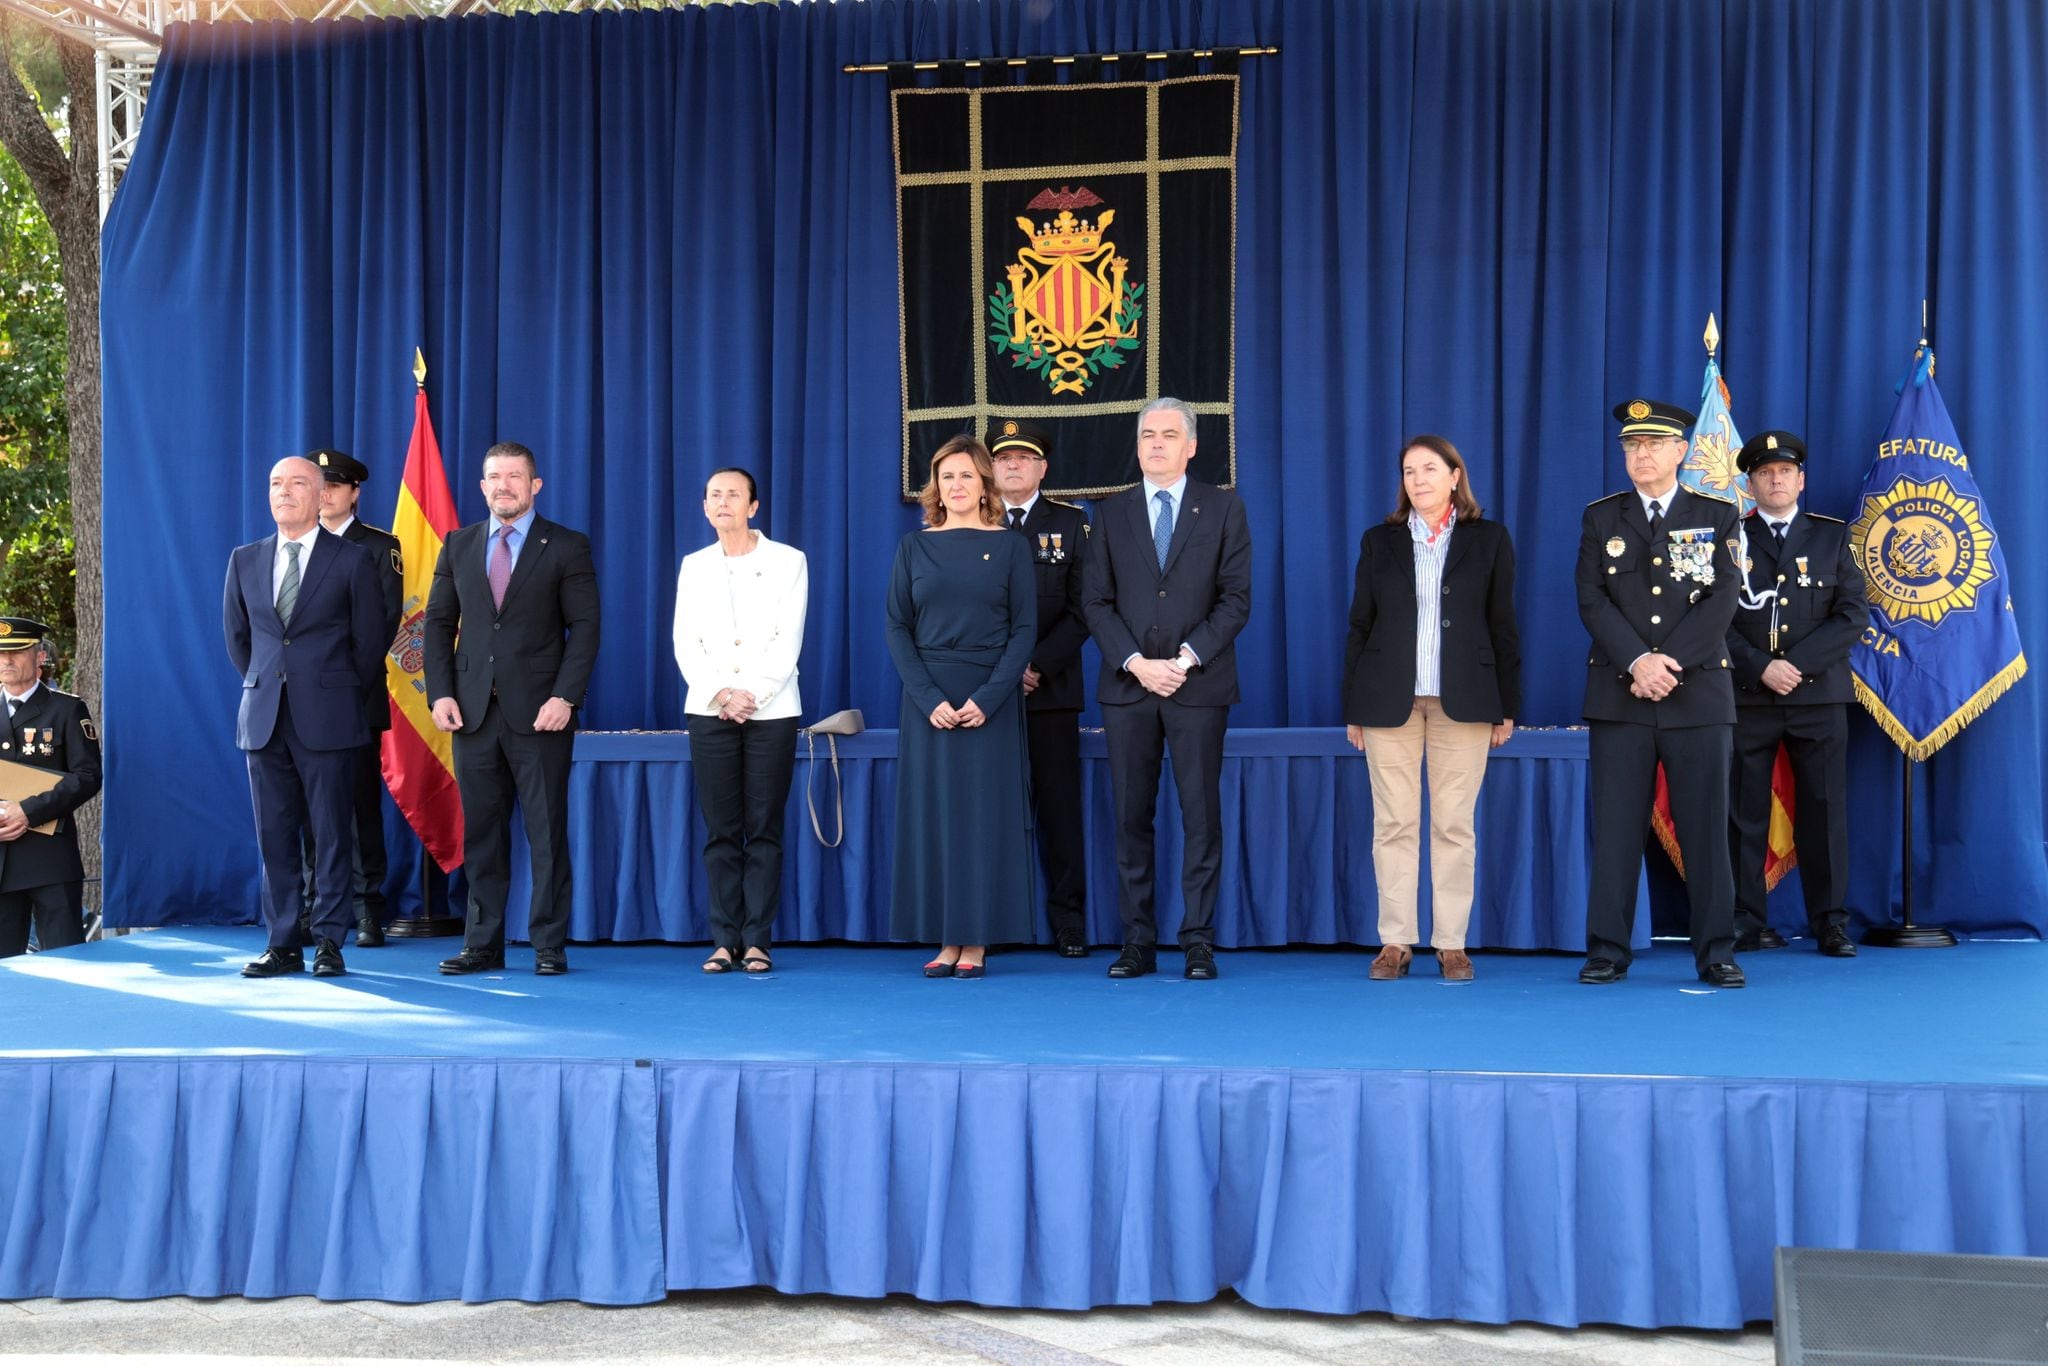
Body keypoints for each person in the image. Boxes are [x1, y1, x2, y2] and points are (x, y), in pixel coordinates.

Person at [1081, 397, 1252, 980]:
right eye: (1148, 434)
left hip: (1197, 686)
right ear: (1137, 445)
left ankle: (1198, 940)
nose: (1156, 443)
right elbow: (1094, 601)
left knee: (1200, 815)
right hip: (1128, 690)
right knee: (1131, 816)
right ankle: (1137, 942)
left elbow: (1235, 600)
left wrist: (1181, 659)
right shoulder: (1110, 513)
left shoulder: (1224, 508)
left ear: (1192, 446)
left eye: (1169, 434)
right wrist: (1135, 661)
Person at [1576, 399, 1744, 987]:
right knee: (1618, 828)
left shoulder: (1719, 514)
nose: (1640, 455)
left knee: (1705, 828)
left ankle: (1717, 951)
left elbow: (1724, 599)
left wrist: (1667, 662)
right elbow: (1592, 600)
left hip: (1695, 692)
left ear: (1680, 451)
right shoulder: (1602, 518)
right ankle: (1606, 949)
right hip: (1621, 694)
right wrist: (1638, 661)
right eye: (1630, 446)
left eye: (1652, 445)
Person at [1342, 435, 1521, 982]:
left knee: (1453, 826)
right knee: (1393, 823)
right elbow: (1360, 624)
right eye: (1408, 471)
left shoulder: (1488, 539)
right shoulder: (1381, 541)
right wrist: (1353, 707)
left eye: (1429, 469)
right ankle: (1395, 941)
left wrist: (1506, 706)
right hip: (1387, 700)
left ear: (1454, 476)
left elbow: (1503, 626)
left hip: (1464, 701)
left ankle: (1451, 943)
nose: (1417, 479)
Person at [425, 442, 600, 977]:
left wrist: (565, 697)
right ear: (482, 486)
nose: (504, 485)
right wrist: (440, 692)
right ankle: (483, 944)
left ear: (535, 485)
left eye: (515, 476)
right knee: (481, 833)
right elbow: (435, 624)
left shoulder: (566, 545)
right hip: (471, 714)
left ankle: (549, 944)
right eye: (494, 476)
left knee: (546, 833)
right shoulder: (457, 544)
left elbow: (586, 628)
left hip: (542, 713)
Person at [223, 456, 387, 978]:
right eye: (276, 483)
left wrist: (330, 690)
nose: (284, 492)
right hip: (265, 714)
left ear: (322, 498)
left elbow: (369, 644)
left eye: (298, 484)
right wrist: (268, 682)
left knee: (332, 832)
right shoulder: (245, 559)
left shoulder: (352, 559)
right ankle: (283, 942)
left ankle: (329, 941)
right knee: (274, 833)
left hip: (330, 715)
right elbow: (238, 639)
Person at [884, 435, 1038, 978]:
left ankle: (976, 942)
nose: (956, 485)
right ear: (936, 486)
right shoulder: (913, 548)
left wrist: (988, 698)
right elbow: (898, 628)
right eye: (947, 476)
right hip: (929, 702)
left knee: (981, 818)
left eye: (967, 476)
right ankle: (946, 939)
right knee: (936, 819)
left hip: (988, 701)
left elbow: (1024, 630)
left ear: (984, 485)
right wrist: (929, 699)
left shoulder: (1012, 546)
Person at [1726, 431, 1865, 958]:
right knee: (1744, 811)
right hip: (1747, 694)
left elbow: (1852, 615)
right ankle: (1746, 919)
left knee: (1825, 810)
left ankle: (1831, 922)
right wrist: (1763, 667)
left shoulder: (1833, 538)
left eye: (1785, 471)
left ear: (1801, 480)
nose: (1776, 479)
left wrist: (1795, 667)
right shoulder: (1728, 537)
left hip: (1819, 697)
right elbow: (1713, 618)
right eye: (1764, 472)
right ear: (1750, 482)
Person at [674, 467, 809, 974]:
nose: (723, 502)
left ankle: (758, 941)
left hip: (771, 709)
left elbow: (787, 635)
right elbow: (686, 640)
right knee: (721, 829)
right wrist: (720, 693)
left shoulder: (788, 561)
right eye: (714, 495)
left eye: (734, 494)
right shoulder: (694, 565)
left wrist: (752, 692)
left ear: (754, 506)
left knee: (764, 828)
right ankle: (723, 939)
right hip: (709, 709)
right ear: (704, 507)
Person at [989, 419, 1093, 957]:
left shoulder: (1072, 525)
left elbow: (1085, 609)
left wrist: (1036, 667)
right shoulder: (973, 522)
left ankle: (1069, 922)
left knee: (1058, 811)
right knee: (995, 810)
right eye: (1004, 458)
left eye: (1024, 458)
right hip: (986, 696)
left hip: (1049, 690)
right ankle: (997, 921)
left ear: (1042, 468)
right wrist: (1002, 673)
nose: (1013, 465)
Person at [294, 449, 405, 948]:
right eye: (320, 485)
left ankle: (366, 908)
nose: (327, 494)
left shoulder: (379, 547)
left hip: (354, 696)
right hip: (296, 701)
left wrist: (336, 682)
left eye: (336, 486)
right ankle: (314, 906)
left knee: (358, 806)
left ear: (355, 492)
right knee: (306, 809)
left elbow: (378, 627)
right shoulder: (296, 545)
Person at [0, 619, 101, 959]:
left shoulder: (67, 709)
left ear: (40, 656)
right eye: (0, 653)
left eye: (16, 652)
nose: (6, 661)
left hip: (51, 864)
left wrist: (28, 811)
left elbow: (87, 775)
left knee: (67, 965)